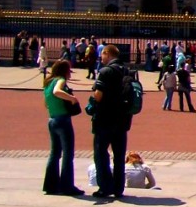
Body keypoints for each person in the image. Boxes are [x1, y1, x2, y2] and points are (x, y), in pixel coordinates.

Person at [90, 44, 131, 199]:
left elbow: (98, 95)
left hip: (105, 118)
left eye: (102, 54)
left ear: (107, 53)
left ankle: (105, 187)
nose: (101, 57)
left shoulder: (105, 71)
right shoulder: (126, 70)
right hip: (122, 119)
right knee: (119, 156)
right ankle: (118, 187)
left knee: (101, 153)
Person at [42, 60, 85, 196]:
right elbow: (57, 92)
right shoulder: (60, 80)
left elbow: (46, 103)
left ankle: (51, 185)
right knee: (68, 154)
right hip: (63, 120)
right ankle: (67, 186)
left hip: (52, 119)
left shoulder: (48, 82)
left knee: (54, 153)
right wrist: (72, 99)